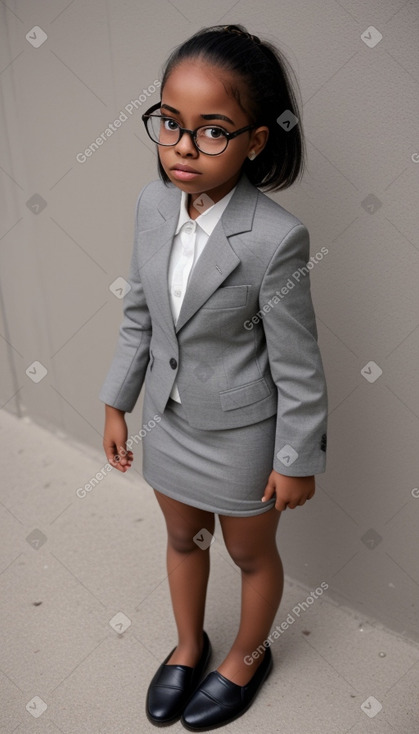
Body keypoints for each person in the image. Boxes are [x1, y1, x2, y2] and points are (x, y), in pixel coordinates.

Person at [99, 23, 328, 731]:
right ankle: (188, 646)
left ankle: (246, 655)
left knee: (247, 552)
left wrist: (295, 458)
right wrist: (117, 400)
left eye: (212, 131)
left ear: (255, 141)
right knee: (181, 539)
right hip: (168, 420)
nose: (183, 148)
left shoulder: (273, 238)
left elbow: (297, 362)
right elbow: (139, 311)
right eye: (169, 124)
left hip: (239, 432)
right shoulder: (150, 204)